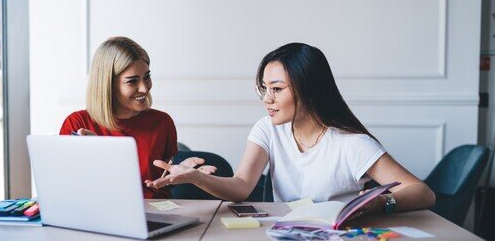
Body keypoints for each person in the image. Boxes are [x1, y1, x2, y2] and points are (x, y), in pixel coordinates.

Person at [146, 43, 435, 217]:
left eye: (276, 89)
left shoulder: (351, 144)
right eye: (264, 89)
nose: (267, 99)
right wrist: (196, 178)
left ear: (308, 91)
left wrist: (381, 203)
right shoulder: (267, 130)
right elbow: (241, 187)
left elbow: (422, 193)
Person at [60, 36, 215, 199]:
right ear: (108, 85)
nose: (144, 87)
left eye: (147, 76)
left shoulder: (162, 122)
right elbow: (69, 187)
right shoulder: (77, 123)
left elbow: (159, 181)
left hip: (155, 213)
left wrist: (183, 172)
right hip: (99, 212)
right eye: (132, 81)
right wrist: (99, 153)